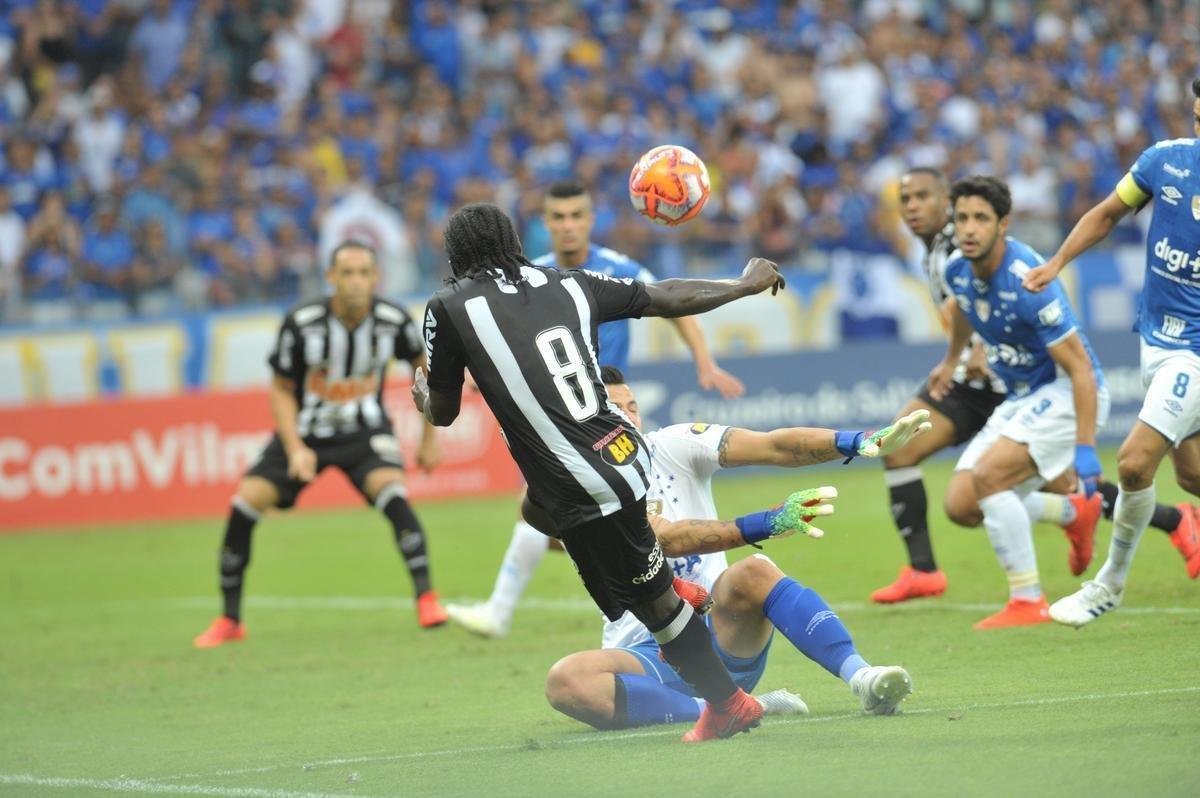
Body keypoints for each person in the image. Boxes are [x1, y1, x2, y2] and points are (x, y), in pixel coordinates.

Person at [412, 201, 784, 742]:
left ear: (456, 252)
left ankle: (729, 704)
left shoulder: (447, 306)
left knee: (654, 604)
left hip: (578, 480)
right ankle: (665, 579)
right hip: (624, 452)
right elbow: (666, 295)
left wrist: (423, 392)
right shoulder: (568, 281)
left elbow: (443, 412)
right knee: (536, 508)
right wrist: (743, 284)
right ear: (513, 240)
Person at [544, 367, 925, 732]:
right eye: (615, 410)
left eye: (633, 407)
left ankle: (863, 678)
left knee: (753, 572)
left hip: (717, 636)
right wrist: (767, 523)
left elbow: (772, 445)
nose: (629, 418)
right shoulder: (586, 486)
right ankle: (733, 705)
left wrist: (855, 442)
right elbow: (667, 538)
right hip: (645, 656)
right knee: (567, 681)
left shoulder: (671, 445)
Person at [875, 168, 1189, 603]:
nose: (911, 206)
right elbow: (965, 308)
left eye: (922, 197)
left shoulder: (966, 242)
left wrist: (980, 352)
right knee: (936, 467)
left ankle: (1165, 523)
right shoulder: (939, 256)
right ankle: (925, 568)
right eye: (904, 198)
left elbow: (1010, 314)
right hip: (987, 380)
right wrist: (953, 358)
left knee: (1032, 478)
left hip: (1007, 383)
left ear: (945, 202)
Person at [446, 178, 744, 636]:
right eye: (558, 218)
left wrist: (704, 360)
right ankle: (656, 586)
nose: (567, 227)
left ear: (590, 220)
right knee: (552, 511)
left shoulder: (616, 266)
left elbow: (671, 303)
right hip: (557, 417)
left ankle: (511, 608)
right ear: (545, 225)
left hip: (607, 409)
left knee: (567, 509)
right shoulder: (526, 274)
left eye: (576, 217)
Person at [193, 242, 447, 648]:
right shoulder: (302, 323)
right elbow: (280, 389)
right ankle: (230, 619)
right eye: (346, 273)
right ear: (330, 277)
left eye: (364, 272)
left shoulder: (391, 319)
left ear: (375, 277)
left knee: (393, 493)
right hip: (307, 432)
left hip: (364, 432)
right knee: (245, 503)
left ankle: (427, 599)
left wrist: (429, 437)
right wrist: (294, 448)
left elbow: (425, 371)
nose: (356, 282)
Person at [1022, 78, 1200, 626]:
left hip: (1193, 354)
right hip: (1156, 340)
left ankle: (1110, 584)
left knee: (1132, 461)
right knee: (1192, 476)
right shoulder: (1165, 162)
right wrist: (1056, 263)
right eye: (1198, 115)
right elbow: (1106, 213)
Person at [929, 175, 1109, 630]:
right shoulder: (955, 269)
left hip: (1069, 392)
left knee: (990, 478)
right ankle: (1073, 510)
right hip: (1024, 397)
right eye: (961, 218)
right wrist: (952, 360)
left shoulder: (1029, 280)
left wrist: (1084, 450)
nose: (968, 228)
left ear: (1003, 225)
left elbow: (1082, 370)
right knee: (961, 506)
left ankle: (1028, 600)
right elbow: (964, 312)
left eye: (980, 219)